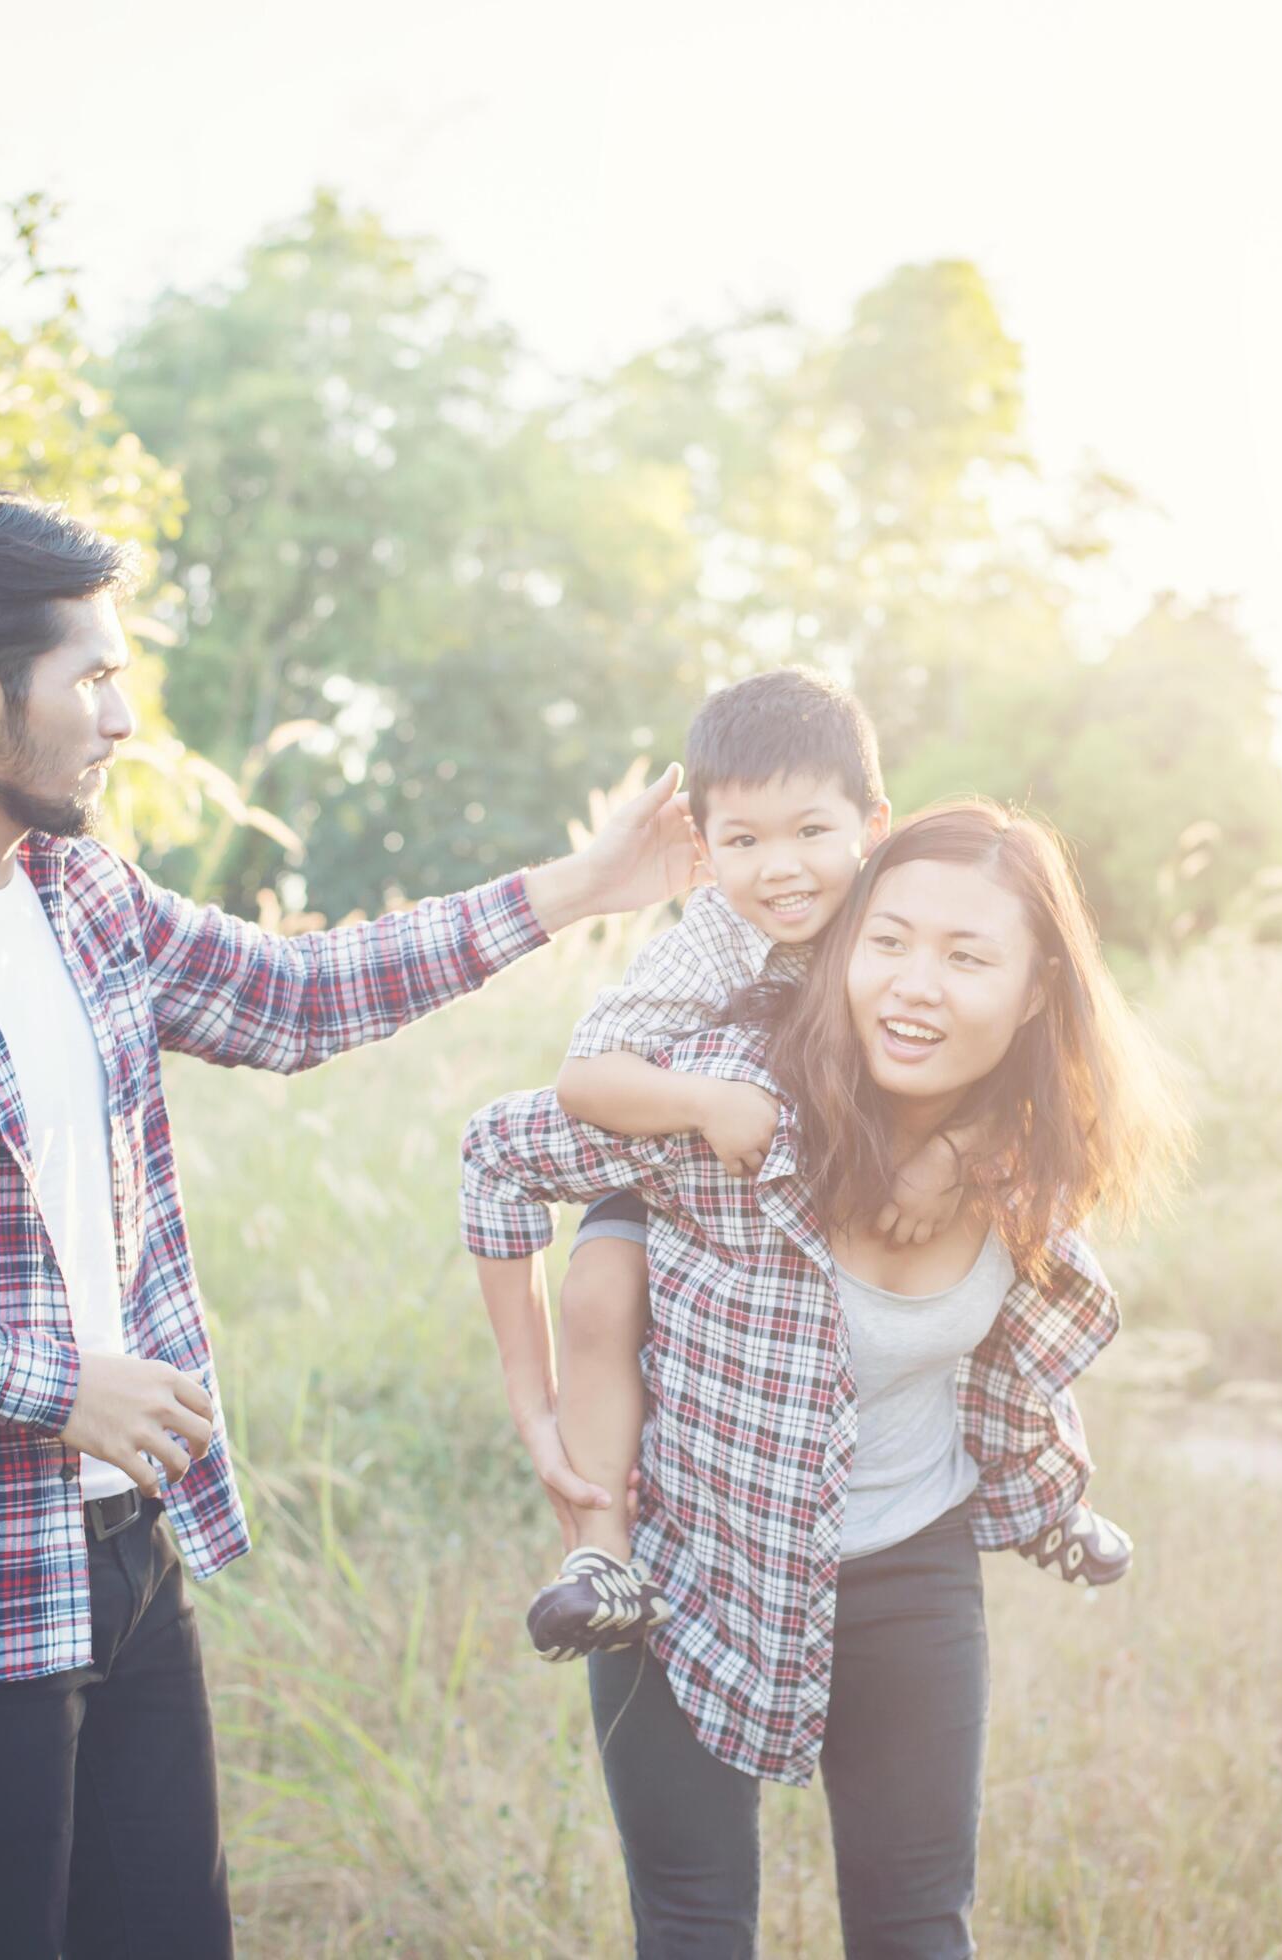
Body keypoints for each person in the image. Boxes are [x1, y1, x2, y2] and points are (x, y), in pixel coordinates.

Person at [0, 488, 696, 1960]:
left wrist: (584, 887)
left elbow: (300, 992)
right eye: (91, 676)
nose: (122, 716)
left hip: (126, 1559)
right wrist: (50, 1388)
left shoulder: (86, 898)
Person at [460, 800, 1189, 1956]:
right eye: (887, 940)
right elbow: (499, 1153)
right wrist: (536, 1404)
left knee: (915, 1926)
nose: (914, 985)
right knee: (693, 1926)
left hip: (912, 1565)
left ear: (1038, 988)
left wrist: (957, 1153)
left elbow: (1020, 1366)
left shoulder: (1028, 1155)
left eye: (967, 957)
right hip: (689, 1563)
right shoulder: (736, 1110)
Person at [474, 670, 1138, 1665]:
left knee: (1002, 1281)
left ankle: (1047, 1492)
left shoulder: (894, 906)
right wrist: (704, 1105)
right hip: (665, 1142)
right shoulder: (718, 941)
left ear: (872, 825)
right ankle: (600, 1551)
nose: (781, 870)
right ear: (703, 850)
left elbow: (998, 1059)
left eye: (809, 833)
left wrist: (955, 1147)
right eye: (743, 842)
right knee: (602, 1293)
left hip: (791, 1158)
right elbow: (583, 1080)